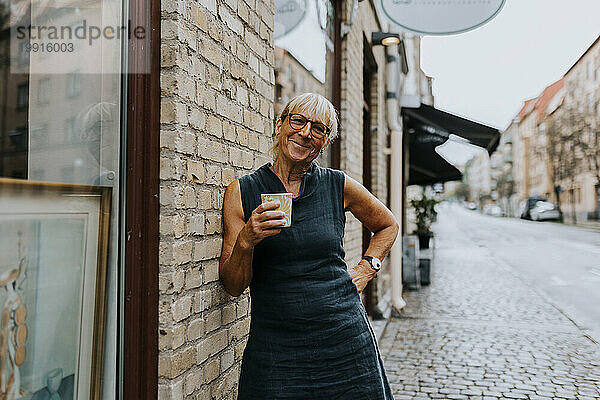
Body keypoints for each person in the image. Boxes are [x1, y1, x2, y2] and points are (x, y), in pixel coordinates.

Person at [219, 92, 399, 399]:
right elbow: (233, 285)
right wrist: (247, 239)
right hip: (276, 346)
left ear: (326, 142)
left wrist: (366, 270)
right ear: (279, 126)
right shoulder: (243, 191)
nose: (305, 133)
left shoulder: (337, 185)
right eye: (298, 121)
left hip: (344, 336)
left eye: (318, 129)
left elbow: (387, 226)